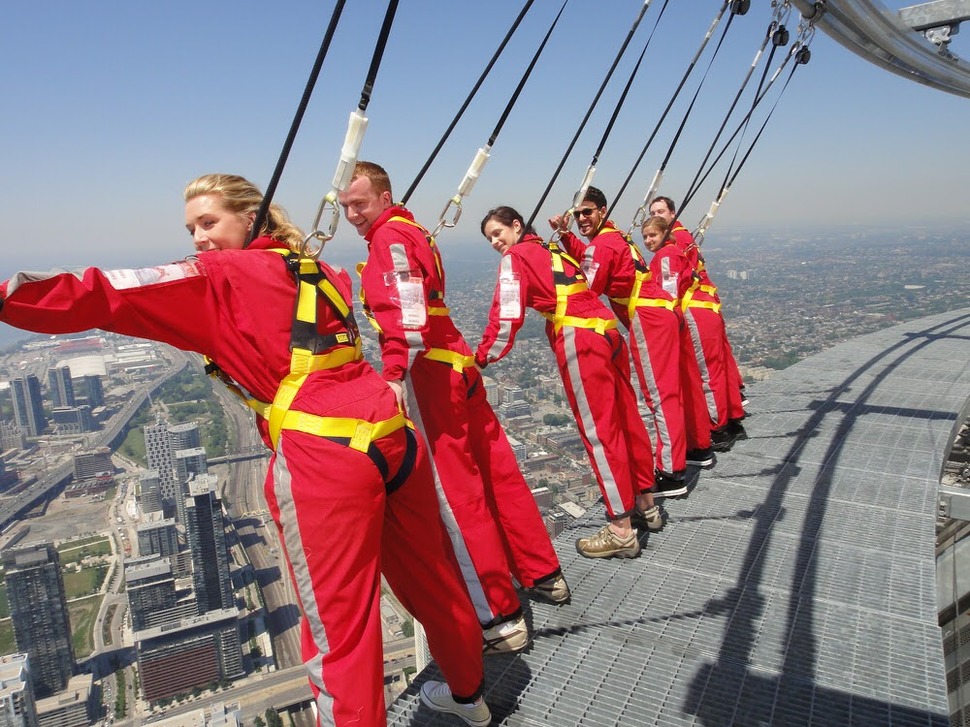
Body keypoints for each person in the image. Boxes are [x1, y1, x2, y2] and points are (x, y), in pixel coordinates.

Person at [0, 174, 490, 727]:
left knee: (338, 629)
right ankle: (470, 699)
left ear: (249, 218)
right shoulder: (317, 269)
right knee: (436, 580)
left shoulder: (217, 276)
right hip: (393, 435)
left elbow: (102, 293)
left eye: (209, 222)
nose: (199, 239)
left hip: (323, 455)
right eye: (191, 228)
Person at [337, 162, 568, 654]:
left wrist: (395, 370)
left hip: (430, 372)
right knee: (498, 472)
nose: (353, 215)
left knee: (455, 494)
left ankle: (498, 616)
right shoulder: (415, 231)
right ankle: (542, 571)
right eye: (345, 207)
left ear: (383, 195)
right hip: (457, 359)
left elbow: (407, 312)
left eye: (359, 203)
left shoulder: (388, 240)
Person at [477, 205, 661, 560]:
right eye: (489, 239)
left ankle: (621, 530)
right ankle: (647, 506)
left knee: (600, 432)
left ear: (517, 226)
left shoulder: (516, 257)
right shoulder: (552, 249)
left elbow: (506, 315)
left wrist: (482, 357)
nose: (496, 243)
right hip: (608, 331)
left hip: (579, 338)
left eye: (498, 233)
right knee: (628, 421)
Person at [549, 186, 697, 496]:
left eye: (586, 212)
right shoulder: (614, 236)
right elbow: (593, 256)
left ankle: (671, 473)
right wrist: (566, 236)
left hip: (648, 318)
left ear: (602, 211)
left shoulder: (601, 246)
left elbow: (587, 288)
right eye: (577, 214)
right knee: (667, 391)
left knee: (659, 394)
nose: (580, 218)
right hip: (658, 313)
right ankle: (681, 458)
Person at [649, 196, 746, 452]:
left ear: (671, 214)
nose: (658, 215)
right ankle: (731, 418)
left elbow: (669, 292)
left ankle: (718, 428)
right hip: (707, 306)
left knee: (706, 373)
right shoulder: (684, 236)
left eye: (660, 211)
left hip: (694, 310)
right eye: (653, 212)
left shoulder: (672, 245)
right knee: (718, 366)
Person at [640, 215, 717, 470]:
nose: (648, 241)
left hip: (671, 323)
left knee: (670, 391)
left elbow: (668, 292)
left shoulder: (666, 257)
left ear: (665, 232)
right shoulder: (674, 253)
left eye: (652, 235)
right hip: (680, 319)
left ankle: (677, 460)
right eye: (645, 237)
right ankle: (700, 445)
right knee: (690, 383)